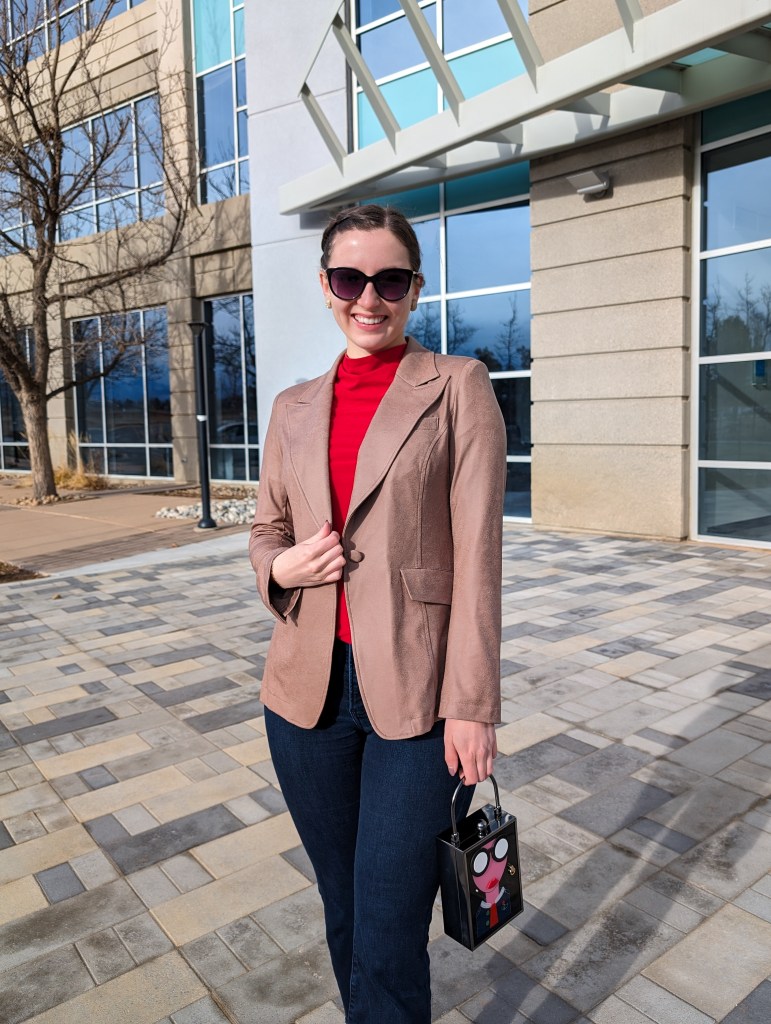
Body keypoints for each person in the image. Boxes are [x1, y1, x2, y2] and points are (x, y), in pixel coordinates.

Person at [249, 204, 506, 1023]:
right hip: (303, 695)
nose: (369, 297)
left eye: (388, 279)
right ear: (326, 286)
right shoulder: (292, 406)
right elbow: (267, 531)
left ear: (414, 289)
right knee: (344, 906)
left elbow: (477, 558)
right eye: (349, 278)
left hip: (417, 696)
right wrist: (282, 567)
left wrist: (471, 705)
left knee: (392, 921)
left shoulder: (457, 386)